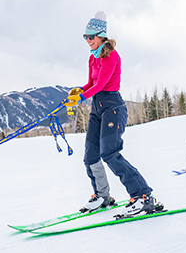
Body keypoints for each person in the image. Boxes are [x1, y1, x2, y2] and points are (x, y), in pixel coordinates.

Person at [65, 11, 160, 217]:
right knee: (90, 155)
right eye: (85, 37)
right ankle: (102, 196)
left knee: (109, 153)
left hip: (113, 107)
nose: (88, 41)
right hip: (97, 108)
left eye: (91, 37)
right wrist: (78, 92)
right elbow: (90, 84)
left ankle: (143, 196)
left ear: (101, 36)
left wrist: (81, 98)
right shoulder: (93, 58)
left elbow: (100, 85)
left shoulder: (110, 56)